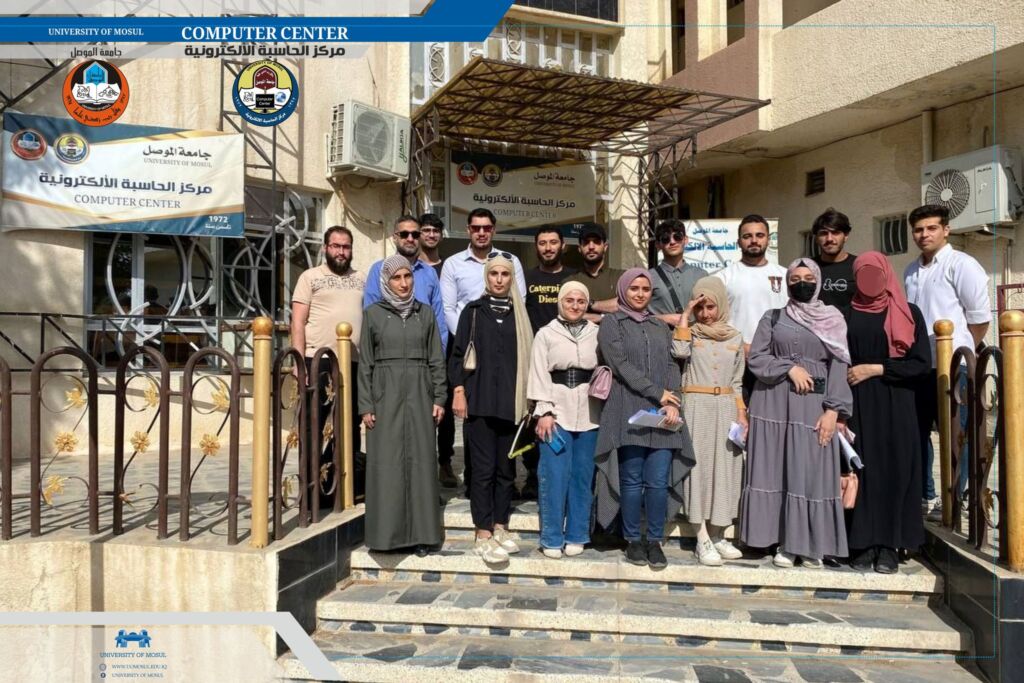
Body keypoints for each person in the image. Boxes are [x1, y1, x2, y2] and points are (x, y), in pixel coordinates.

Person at [739, 258, 852, 569]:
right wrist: (789, 368)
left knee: (811, 471)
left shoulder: (833, 319)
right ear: (787, 284)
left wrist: (833, 411)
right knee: (774, 470)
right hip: (772, 403)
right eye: (795, 279)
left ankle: (810, 543)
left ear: (818, 281)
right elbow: (757, 358)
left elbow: (839, 365)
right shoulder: (773, 317)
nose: (802, 283)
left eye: (808, 278)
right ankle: (782, 542)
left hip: (813, 406)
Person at [594, 268, 696, 569]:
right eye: (634, 288)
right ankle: (632, 541)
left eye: (646, 289)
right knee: (631, 479)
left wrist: (673, 399)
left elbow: (673, 364)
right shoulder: (612, 323)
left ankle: (654, 540)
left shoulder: (658, 326)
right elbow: (620, 365)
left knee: (657, 481)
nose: (640, 294)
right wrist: (658, 393)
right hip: (628, 410)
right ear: (623, 290)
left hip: (663, 414)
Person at [903, 204, 991, 519]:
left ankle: (955, 497)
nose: (924, 235)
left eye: (931, 228)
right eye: (918, 229)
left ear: (946, 230)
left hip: (955, 365)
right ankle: (925, 495)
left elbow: (979, 319)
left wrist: (964, 351)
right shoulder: (911, 270)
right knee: (917, 431)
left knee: (957, 434)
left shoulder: (962, 265)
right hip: (919, 365)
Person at [845, 252, 930, 573]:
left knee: (895, 469)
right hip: (858, 403)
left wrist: (876, 368)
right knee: (864, 469)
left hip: (897, 402)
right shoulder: (846, 313)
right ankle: (863, 543)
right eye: (863, 274)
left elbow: (920, 364)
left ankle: (889, 545)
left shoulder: (908, 312)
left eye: (875, 273)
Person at [358, 255, 446, 556]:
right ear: (386, 281)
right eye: (396, 278)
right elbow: (365, 363)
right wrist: (366, 404)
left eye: (407, 276)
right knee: (387, 465)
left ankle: (422, 536)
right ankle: (387, 537)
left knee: (421, 463)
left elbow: (436, 359)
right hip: (385, 396)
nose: (404, 283)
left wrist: (439, 397)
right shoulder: (373, 314)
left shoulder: (425, 314)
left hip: (421, 394)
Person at [449, 253, 533, 565]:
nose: (499, 279)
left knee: (506, 470)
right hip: (480, 401)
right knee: (482, 470)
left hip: (511, 403)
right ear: (487, 277)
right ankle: (482, 532)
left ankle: (500, 525)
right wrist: (459, 390)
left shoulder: (519, 315)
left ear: (512, 278)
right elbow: (458, 354)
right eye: (494, 273)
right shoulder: (473, 312)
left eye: (505, 274)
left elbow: (530, 358)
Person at [291, 225, 366, 505]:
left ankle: (342, 487)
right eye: (336, 246)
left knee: (350, 427)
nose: (341, 252)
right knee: (314, 425)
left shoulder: (361, 278)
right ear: (325, 248)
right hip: (318, 361)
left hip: (353, 363)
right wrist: (299, 362)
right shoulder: (310, 277)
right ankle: (311, 491)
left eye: (346, 246)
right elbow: (298, 321)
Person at [675, 276, 746, 566]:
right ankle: (701, 537)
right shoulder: (689, 333)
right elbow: (679, 353)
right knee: (699, 469)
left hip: (726, 407)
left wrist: (741, 413)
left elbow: (737, 380)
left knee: (724, 469)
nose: (705, 314)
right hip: (696, 406)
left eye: (710, 307)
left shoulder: (735, 337)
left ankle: (717, 534)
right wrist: (685, 316)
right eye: (700, 308)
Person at [527, 281, 600, 559]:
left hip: (591, 413)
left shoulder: (597, 333)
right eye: (569, 300)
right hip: (557, 411)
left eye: (580, 301)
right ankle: (552, 537)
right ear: (560, 302)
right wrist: (544, 411)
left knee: (582, 476)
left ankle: (577, 534)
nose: (575, 306)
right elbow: (538, 372)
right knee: (554, 476)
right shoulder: (546, 333)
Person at [714, 215, 788, 401]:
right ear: (739, 241)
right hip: (737, 359)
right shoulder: (723, 277)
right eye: (747, 236)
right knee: (738, 415)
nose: (754, 240)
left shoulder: (785, 275)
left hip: (776, 359)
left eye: (759, 235)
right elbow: (713, 319)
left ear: (768, 239)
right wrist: (740, 345)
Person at [363, 215, 447, 351]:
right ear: (394, 237)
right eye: (404, 234)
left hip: (423, 351)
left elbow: (439, 319)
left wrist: (440, 355)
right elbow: (370, 315)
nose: (410, 239)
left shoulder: (429, 273)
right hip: (388, 351)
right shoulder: (379, 269)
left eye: (415, 234)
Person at [418, 212, 459, 489]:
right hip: (418, 344)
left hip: (447, 344)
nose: (431, 235)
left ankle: (445, 461)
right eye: (426, 230)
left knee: (444, 403)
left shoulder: (449, 267)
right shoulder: (410, 268)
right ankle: (421, 462)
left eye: (436, 231)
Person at [649, 219, 708, 325]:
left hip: (696, 334)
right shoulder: (648, 277)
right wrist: (663, 318)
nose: (672, 242)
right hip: (660, 334)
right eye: (666, 239)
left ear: (685, 240)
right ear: (658, 244)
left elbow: (711, 309)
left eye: (677, 237)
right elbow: (635, 315)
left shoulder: (702, 275)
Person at [563, 223, 622, 323]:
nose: (591, 246)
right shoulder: (570, 281)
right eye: (586, 242)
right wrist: (604, 317)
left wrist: (590, 304)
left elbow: (624, 306)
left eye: (596, 241)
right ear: (579, 248)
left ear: (605, 247)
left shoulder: (620, 277)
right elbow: (570, 314)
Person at [812, 208, 857, 313]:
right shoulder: (808, 268)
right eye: (824, 233)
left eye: (835, 233)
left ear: (846, 236)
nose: (829, 239)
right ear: (816, 238)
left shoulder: (858, 266)